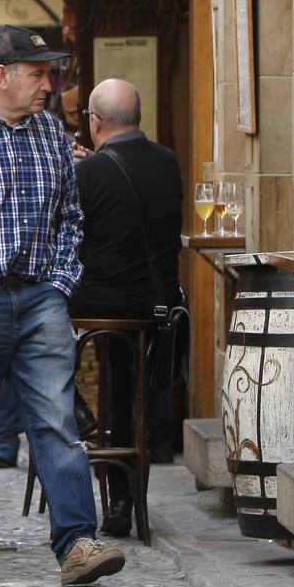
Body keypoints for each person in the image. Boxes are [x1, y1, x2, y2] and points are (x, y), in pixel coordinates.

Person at [0, 25, 126, 586]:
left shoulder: (51, 130)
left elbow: (71, 213)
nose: (49, 83)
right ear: (2, 75)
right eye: (38, 72)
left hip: (43, 294)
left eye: (49, 72)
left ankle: (76, 544)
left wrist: (63, 281)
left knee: (57, 420)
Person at [70, 79, 183, 538]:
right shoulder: (168, 162)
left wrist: (86, 170)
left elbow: (72, 238)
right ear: (140, 118)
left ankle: (78, 419)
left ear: (95, 123)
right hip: (157, 305)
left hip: (99, 305)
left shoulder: (88, 173)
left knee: (38, 338)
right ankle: (133, 482)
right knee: (132, 383)